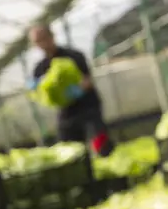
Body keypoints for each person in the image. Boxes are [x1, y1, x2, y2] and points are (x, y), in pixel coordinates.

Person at [29, 24, 112, 156]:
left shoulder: (74, 56)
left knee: (100, 142)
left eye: (43, 38)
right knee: (70, 149)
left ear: (52, 37)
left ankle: (106, 160)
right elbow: (36, 90)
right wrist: (37, 91)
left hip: (88, 107)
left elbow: (87, 81)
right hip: (67, 112)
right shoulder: (39, 68)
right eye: (37, 42)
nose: (42, 44)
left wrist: (76, 90)